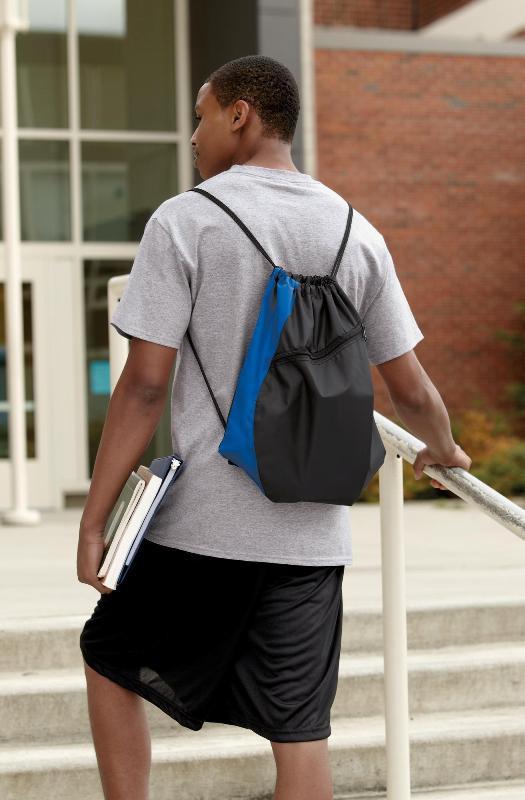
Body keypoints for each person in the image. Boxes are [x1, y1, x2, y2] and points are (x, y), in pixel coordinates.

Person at [77, 54, 472, 800]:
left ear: (240, 115)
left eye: (201, 114)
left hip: (203, 530)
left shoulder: (186, 220)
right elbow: (410, 389)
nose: (193, 134)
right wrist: (443, 451)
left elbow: (144, 386)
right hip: (313, 539)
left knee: (108, 655)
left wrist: (94, 521)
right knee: (300, 739)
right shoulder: (356, 232)